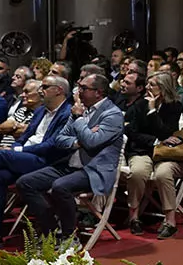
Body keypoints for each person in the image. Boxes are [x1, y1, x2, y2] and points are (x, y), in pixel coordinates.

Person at [16, 73, 123, 239]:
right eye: (78, 87)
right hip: (71, 165)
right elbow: (59, 139)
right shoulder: (80, 109)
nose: (78, 92)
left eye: (84, 88)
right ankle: (51, 229)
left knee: (60, 186)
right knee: (26, 182)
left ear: (98, 92)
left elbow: (93, 142)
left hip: (94, 169)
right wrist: (77, 142)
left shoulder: (112, 114)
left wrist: (79, 119)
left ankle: (69, 236)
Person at [0, 75, 74, 252]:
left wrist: (16, 151)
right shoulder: (41, 110)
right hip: (26, 156)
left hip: (46, 160)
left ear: (58, 90)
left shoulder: (67, 113)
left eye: (45, 87)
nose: (41, 90)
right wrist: (16, 147)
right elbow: (24, 137)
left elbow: (52, 146)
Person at [122, 71, 183, 239]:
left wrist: (152, 112)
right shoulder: (138, 105)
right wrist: (156, 141)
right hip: (142, 149)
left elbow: (167, 131)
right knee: (137, 172)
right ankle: (134, 217)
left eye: (152, 85)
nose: (148, 88)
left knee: (163, 174)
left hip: (167, 154)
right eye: (148, 84)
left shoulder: (175, 106)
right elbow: (131, 130)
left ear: (163, 88)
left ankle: (170, 221)